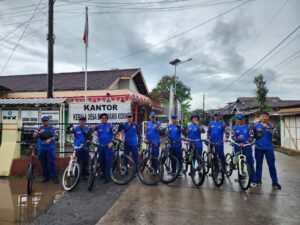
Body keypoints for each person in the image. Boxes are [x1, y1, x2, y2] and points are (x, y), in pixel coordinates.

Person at [253, 112, 281, 189]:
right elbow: (252, 135)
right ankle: (258, 180)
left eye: (265, 116)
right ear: (260, 117)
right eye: (262, 116)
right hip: (258, 148)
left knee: (272, 165)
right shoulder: (255, 125)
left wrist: (267, 128)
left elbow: (276, 134)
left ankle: (274, 182)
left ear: (268, 117)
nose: (264, 118)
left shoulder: (271, 126)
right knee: (259, 165)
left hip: (269, 148)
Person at [231, 114, 257, 188]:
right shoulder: (235, 127)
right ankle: (241, 177)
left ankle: (253, 180)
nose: (240, 121)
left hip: (247, 146)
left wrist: (246, 142)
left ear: (244, 119)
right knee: (239, 163)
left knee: (250, 163)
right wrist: (237, 139)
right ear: (237, 120)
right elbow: (232, 136)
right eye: (238, 119)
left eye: (241, 119)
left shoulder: (249, 127)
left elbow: (251, 136)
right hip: (237, 146)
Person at [33, 116, 59, 184]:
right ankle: (46, 178)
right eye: (44, 121)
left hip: (50, 148)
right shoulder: (38, 128)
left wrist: (50, 139)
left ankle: (54, 177)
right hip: (41, 148)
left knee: (52, 163)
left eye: (46, 120)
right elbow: (34, 136)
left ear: (48, 121)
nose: (45, 122)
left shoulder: (53, 128)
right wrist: (39, 133)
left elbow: (56, 137)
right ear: (42, 121)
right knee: (43, 164)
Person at [67, 116, 91, 180]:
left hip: (85, 146)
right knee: (77, 161)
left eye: (83, 120)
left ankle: (85, 174)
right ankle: (77, 175)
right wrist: (69, 128)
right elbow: (69, 133)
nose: (82, 121)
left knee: (85, 161)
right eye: (81, 120)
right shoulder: (75, 128)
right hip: (77, 147)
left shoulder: (87, 128)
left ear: (85, 121)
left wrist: (89, 142)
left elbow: (90, 137)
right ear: (79, 121)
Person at [95, 113, 114, 183]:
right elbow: (93, 133)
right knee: (101, 161)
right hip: (100, 146)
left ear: (107, 119)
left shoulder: (110, 126)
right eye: (102, 118)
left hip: (108, 147)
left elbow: (114, 134)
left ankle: (107, 177)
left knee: (108, 162)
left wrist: (112, 142)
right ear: (100, 119)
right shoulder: (98, 126)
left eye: (105, 118)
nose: (104, 119)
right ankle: (104, 174)